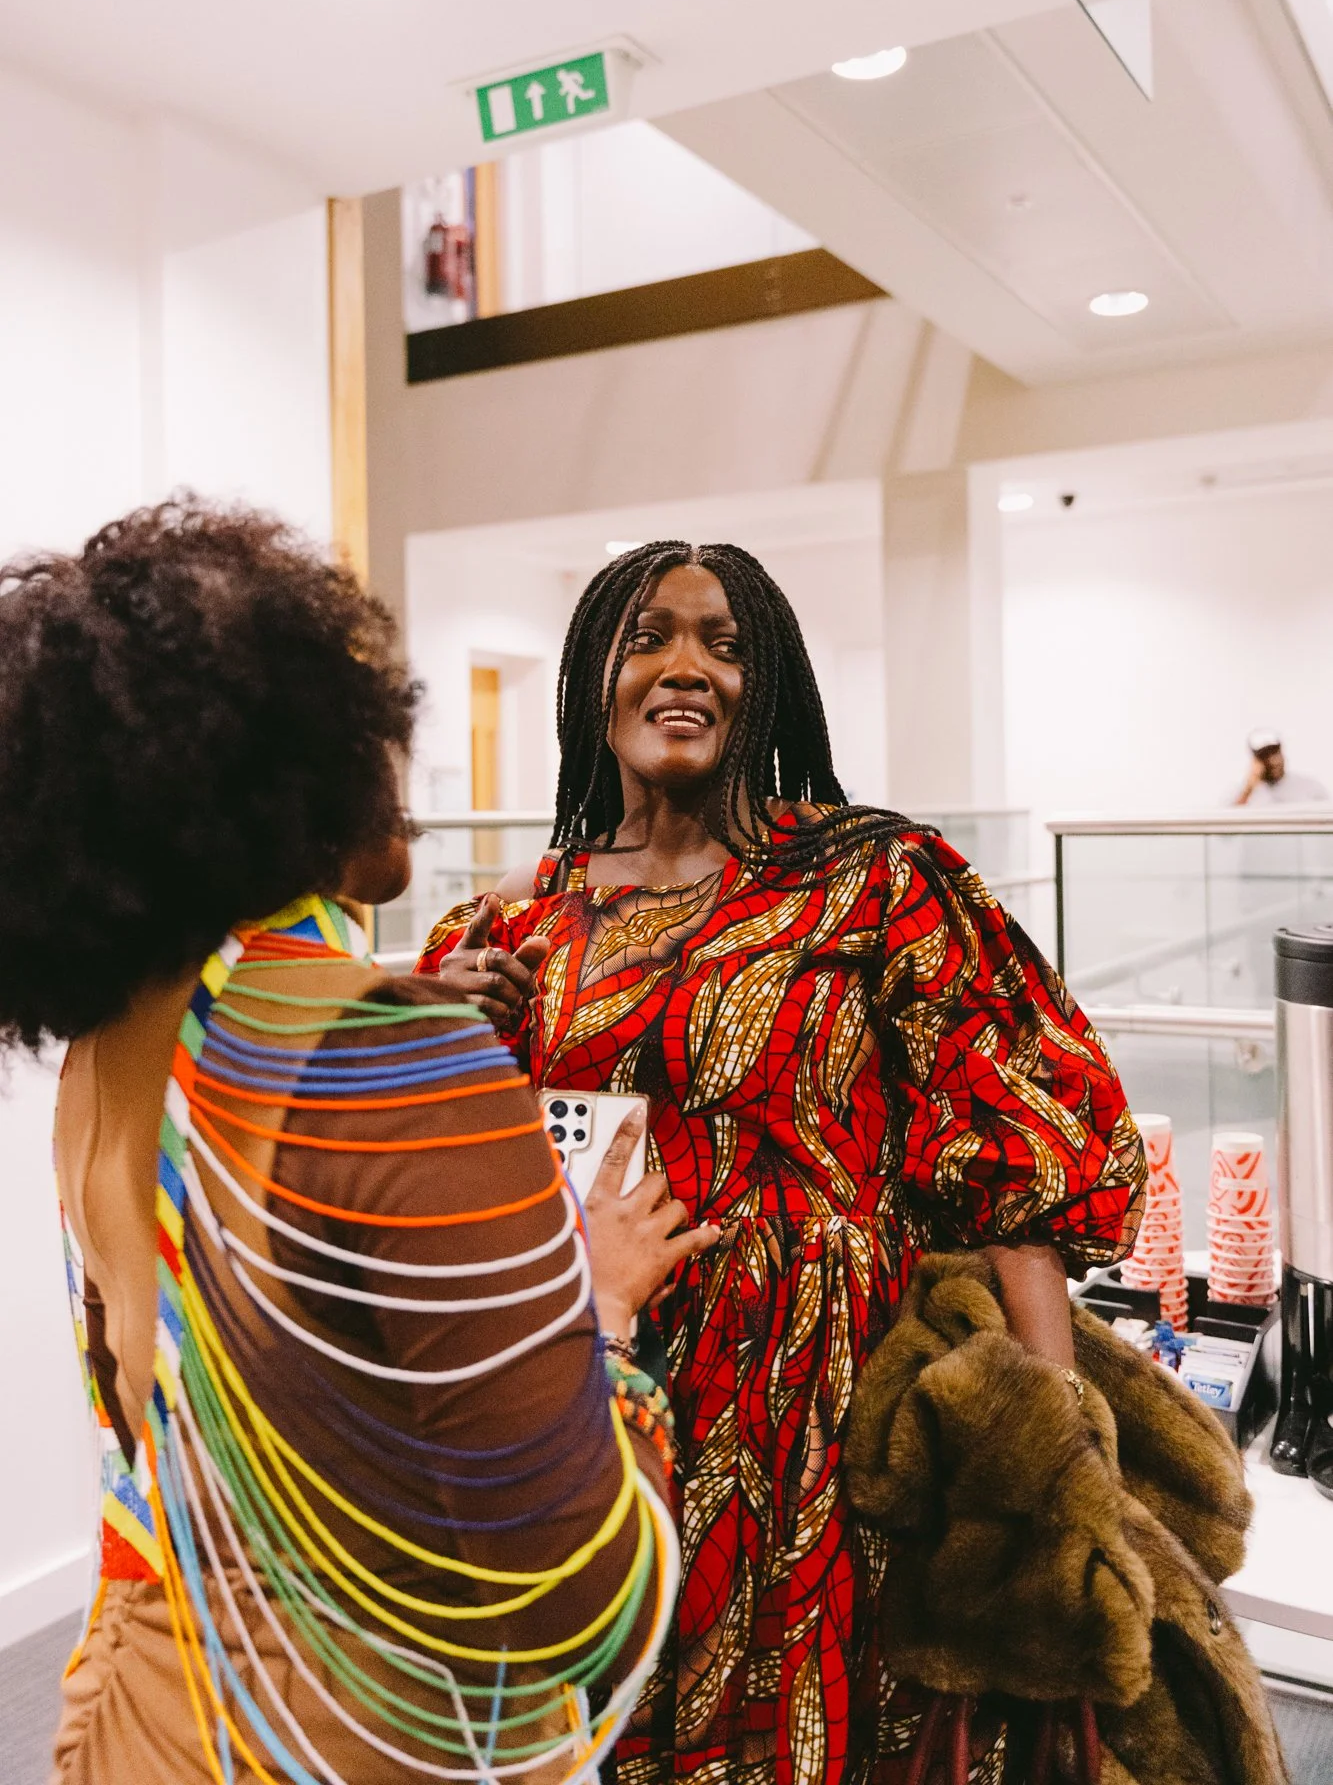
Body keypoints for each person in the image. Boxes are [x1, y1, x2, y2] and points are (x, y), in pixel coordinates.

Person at [0, 499, 718, 1785]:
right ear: (273, 764)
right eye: (369, 722)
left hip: (144, 1711)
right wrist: (601, 1306)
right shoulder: (382, 1057)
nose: (399, 757)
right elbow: (583, 1597)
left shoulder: (120, 1040)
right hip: (363, 1734)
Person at [417, 540, 1148, 1785]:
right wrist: (431, 1023)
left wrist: (1052, 1471)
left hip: (830, 1411)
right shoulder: (517, 919)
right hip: (615, 1396)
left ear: (775, 688)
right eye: (647, 634)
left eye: (726, 642)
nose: (683, 665)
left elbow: (1017, 1166)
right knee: (621, 1727)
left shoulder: (874, 879)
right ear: (595, 674)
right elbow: (471, 1182)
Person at [1234, 729, 1328, 808]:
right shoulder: (1243, 792)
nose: (1274, 761)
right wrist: (1249, 789)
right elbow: (1230, 822)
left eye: (1275, 752)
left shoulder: (1310, 787)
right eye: (1265, 756)